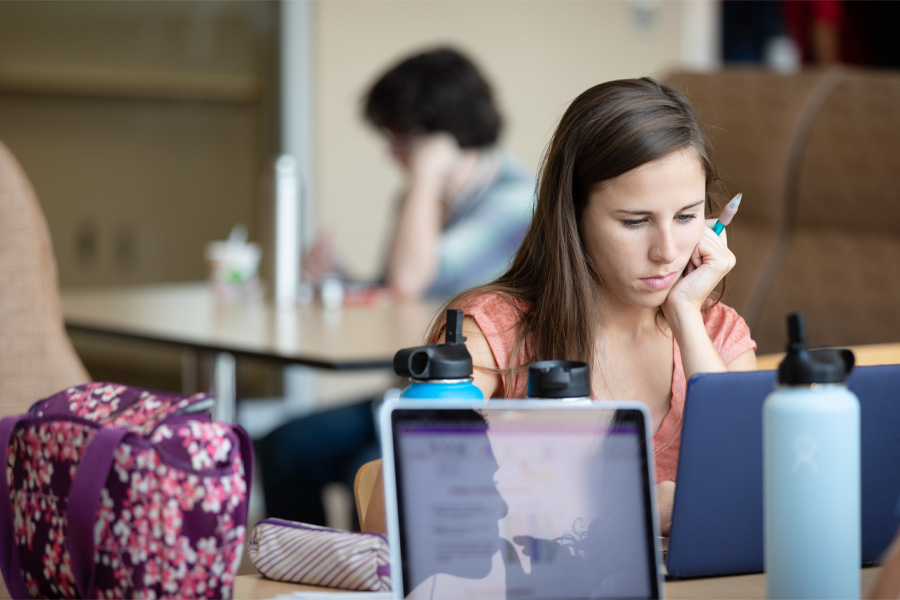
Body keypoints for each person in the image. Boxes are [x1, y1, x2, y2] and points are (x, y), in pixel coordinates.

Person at [363, 76, 758, 536]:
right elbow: (385, 525)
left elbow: (757, 496)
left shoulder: (716, 332)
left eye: (687, 216)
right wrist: (626, 512)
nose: (667, 251)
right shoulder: (495, 334)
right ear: (574, 215)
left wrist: (688, 317)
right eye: (635, 222)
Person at [258, 47, 535, 527]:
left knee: (362, 471)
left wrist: (426, 174)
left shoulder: (513, 203)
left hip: (477, 404)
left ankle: (373, 581)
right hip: (407, 387)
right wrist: (342, 279)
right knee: (283, 448)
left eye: (401, 140)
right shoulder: (422, 199)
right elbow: (398, 292)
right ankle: (310, 568)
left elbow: (410, 283)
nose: (392, 154)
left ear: (439, 134)